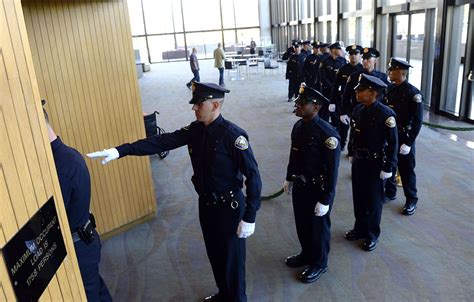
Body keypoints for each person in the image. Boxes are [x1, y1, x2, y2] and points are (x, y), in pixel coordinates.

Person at [87, 82, 262, 302]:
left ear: (215, 105)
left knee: (232, 261)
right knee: (215, 255)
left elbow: (254, 176)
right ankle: (224, 294)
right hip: (207, 205)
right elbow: (162, 141)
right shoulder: (196, 130)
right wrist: (121, 150)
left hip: (230, 208)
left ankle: (236, 298)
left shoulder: (233, 136)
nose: (194, 108)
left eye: (199, 104)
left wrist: (250, 216)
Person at [42, 101, 112, 301]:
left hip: (79, 247)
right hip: (85, 239)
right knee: (96, 289)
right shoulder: (67, 154)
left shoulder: (59, 166)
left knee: (90, 295)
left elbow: (54, 218)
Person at [283, 83, 341, 283]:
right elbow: (294, 155)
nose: (297, 105)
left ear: (316, 107)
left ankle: (319, 262)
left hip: (318, 188)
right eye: (298, 101)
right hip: (301, 185)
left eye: (302, 103)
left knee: (318, 227)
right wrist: (289, 177)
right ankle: (306, 254)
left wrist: (326, 198)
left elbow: (333, 172)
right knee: (302, 223)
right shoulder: (298, 126)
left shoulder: (328, 135)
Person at [344, 74, 398, 251]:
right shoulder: (358, 110)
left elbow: (393, 144)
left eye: (361, 90)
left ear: (373, 93)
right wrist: (351, 151)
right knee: (358, 197)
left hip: (376, 163)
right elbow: (354, 133)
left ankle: (372, 234)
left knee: (373, 201)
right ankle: (359, 228)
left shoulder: (386, 114)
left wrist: (389, 167)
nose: (357, 92)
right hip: (359, 161)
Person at [383, 58, 423, 215]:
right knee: (390, 164)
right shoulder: (389, 89)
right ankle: (390, 192)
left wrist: (409, 142)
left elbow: (418, 121)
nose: (389, 73)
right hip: (390, 136)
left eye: (392, 70)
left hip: (405, 136)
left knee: (406, 170)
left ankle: (411, 199)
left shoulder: (413, 93)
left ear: (401, 72)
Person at [340, 47, 389, 156]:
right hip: (358, 111)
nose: (365, 61)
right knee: (356, 134)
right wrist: (343, 112)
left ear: (375, 60)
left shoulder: (383, 77)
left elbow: (387, 98)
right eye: (364, 59)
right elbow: (346, 95)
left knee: (374, 136)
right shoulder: (354, 76)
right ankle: (353, 153)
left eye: (368, 59)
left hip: (377, 113)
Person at [330, 44, 364, 151]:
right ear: (349, 56)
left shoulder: (363, 70)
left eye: (356, 54)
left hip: (359, 103)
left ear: (360, 56)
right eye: (351, 54)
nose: (353, 56)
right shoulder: (343, 69)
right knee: (343, 126)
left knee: (358, 127)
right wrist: (332, 102)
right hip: (344, 102)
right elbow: (335, 86)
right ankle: (342, 143)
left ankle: (354, 148)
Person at [319, 41, 347, 122]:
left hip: (338, 93)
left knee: (337, 112)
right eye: (339, 49)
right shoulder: (325, 61)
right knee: (325, 112)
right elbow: (323, 78)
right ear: (333, 50)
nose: (341, 51)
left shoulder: (343, 61)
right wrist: (332, 88)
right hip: (327, 91)